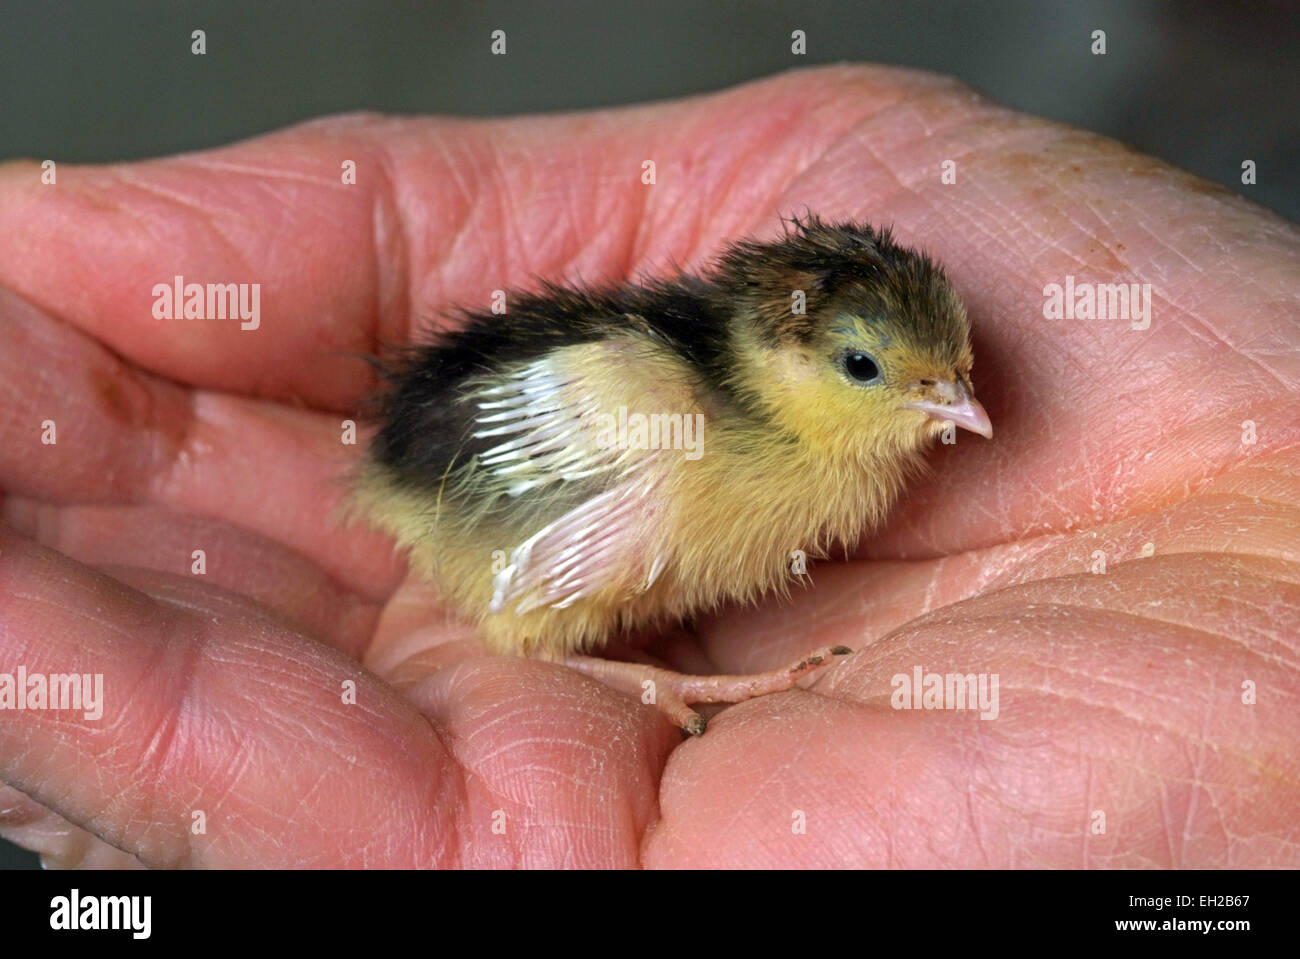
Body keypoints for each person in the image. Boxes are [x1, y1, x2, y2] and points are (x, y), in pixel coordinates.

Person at [0, 65, 1295, 867]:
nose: (950, 400)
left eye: (942, 371)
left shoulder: (799, 427)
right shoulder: (663, 417)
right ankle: (608, 662)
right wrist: (654, 679)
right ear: (788, 359)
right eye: (877, 374)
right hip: (480, 503)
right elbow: (487, 479)